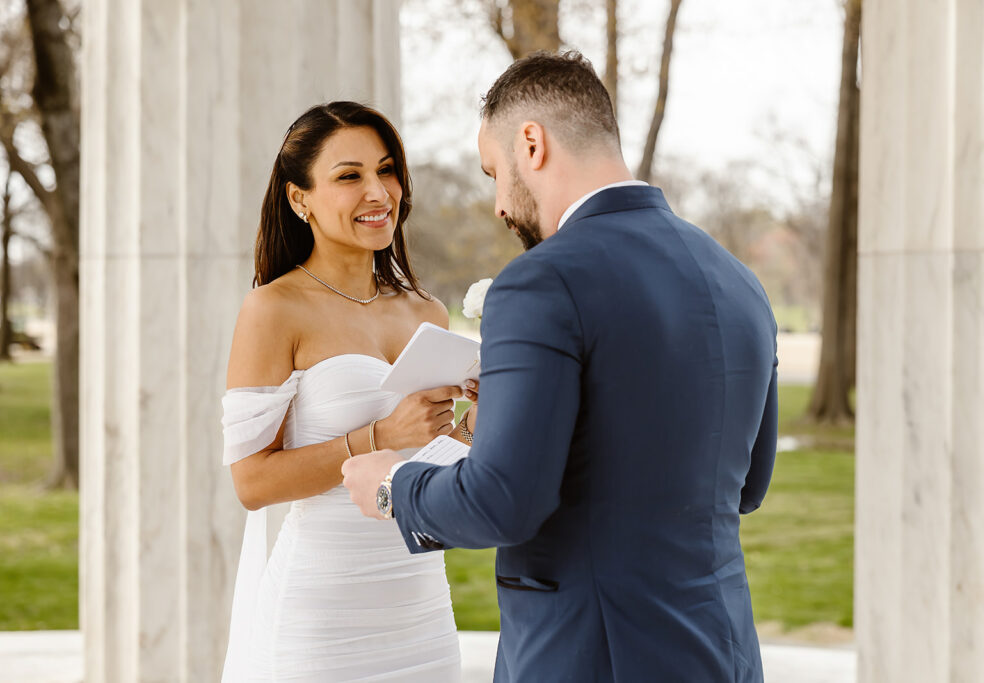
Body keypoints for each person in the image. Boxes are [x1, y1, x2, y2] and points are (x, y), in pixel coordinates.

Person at [343, 52, 778, 682]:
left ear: (531, 142)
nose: (498, 204)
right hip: (722, 651)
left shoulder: (540, 282)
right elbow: (747, 485)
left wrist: (393, 486)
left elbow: (502, 504)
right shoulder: (738, 281)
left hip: (588, 656)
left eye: (494, 173)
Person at [220, 101, 467, 682]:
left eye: (386, 170)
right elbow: (252, 483)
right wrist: (380, 435)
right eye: (349, 176)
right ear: (298, 197)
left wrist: (472, 427)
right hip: (322, 616)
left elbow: (432, 460)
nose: (378, 192)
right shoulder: (273, 310)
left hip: (421, 607)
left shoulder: (426, 310)